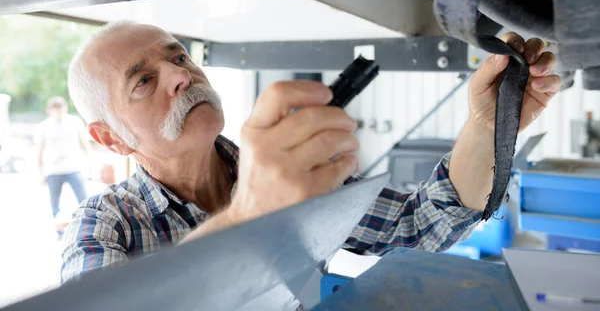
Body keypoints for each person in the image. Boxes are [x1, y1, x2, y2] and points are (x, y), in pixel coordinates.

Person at [61, 21, 560, 282]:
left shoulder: (289, 175)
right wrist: (252, 212)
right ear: (111, 139)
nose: (180, 76)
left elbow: (416, 228)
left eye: (179, 56)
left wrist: (486, 124)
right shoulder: (103, 226)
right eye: (144, 81)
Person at [36, 96, 91, 239]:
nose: (59, 112)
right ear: (49, 111)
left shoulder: (74, 122)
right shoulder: (44, 127)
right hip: (53, 170)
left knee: (83, 199)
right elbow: (40, 151)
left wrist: (89, 164)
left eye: (61, 109)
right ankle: (59, 230)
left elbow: (84, 143)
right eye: (56, 109)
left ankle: (88, 226)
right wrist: (41, 173)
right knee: (55, 201)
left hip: (73, 167)